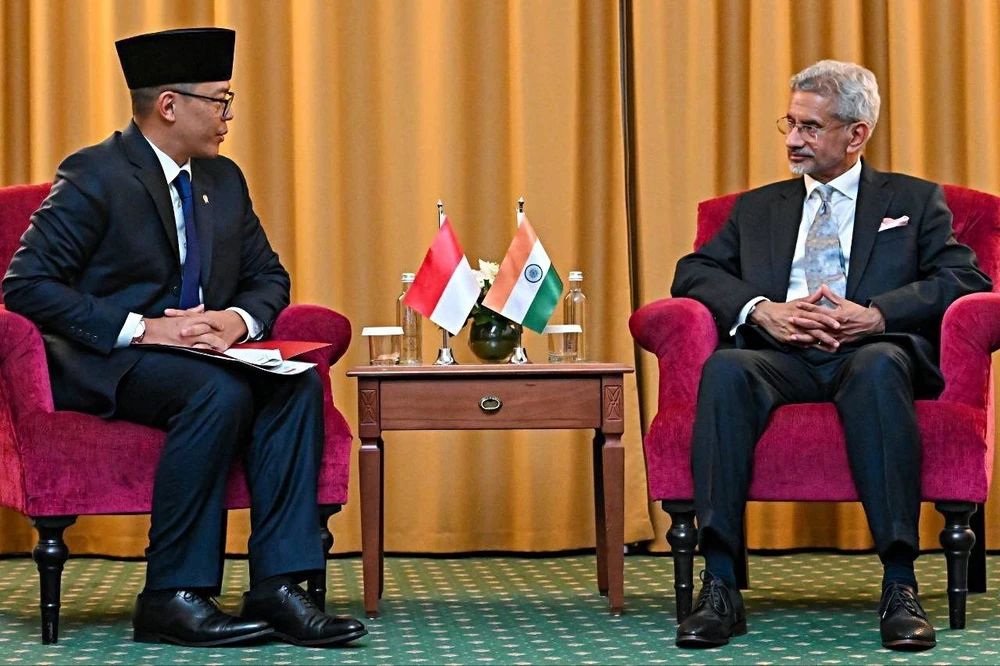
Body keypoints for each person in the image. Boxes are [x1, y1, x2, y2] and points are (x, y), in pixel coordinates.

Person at [2, 28, 366, 648]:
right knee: (215, 394)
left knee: (297, 387)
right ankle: (172, 595)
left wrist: (237, 322)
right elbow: (25, 285)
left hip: (204, 355)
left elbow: (268, 278)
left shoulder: (222, 181)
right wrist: (144, 328)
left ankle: (279, 587)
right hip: (111, 359)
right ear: (170, 105)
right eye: (220, 101)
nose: (229, 116)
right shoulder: (96, 174)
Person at [670, 60, 992, 652]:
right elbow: (693, 273)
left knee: (877, 366)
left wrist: (878, 314)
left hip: (865, 351)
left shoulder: (915, 202)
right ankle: (719, 587)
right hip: (778, 355)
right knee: (724, 369)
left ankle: (899, 585)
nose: (793, 140)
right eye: (789, 124)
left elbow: (965, 278)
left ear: (856, 133)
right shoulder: (756, 208)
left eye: (810, 128)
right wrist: (761, 308)